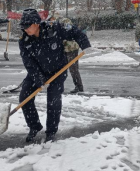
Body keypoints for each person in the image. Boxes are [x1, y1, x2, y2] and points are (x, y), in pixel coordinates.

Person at [18, 8, 91, 143]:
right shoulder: (24, 41)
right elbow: (29, 64)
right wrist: (40, 80)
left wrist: (85, 44)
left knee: (53, 100)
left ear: (36, 23)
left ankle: (51, 131)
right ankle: (34, 126)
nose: (24, 29)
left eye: (27, 26)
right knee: (24, 97)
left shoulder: (55, 28)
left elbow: (75, 31)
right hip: (37, 72)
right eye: (22, 26)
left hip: (57, 71)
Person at [60, 17, 84, 94]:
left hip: (72, 49)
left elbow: (70, 34)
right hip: (65, 49)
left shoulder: (66, 23)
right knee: (62, 68)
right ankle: (59, 86)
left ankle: (79, 86)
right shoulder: (59, 24)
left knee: (73, 69)